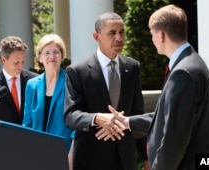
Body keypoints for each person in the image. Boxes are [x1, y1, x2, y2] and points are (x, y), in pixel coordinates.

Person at [108, 4, 209, 170]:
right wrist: (127, 122)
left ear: (161, 35)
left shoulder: (183, 72)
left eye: (152, 34)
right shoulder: (193, 62)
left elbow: (173, 138)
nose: (152, 40)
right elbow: (168, 116)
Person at [64, 12, 149, 170]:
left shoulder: (133, 67)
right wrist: (97, 118)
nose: (119, 38)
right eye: (112, 33)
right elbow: (71, 116)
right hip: (91, 158)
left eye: (122, 32)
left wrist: (145, 156)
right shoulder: (77, 71)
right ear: (96, 37)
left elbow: (138, 112)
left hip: (125, 157)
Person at [22, 34, 74, 169]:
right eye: (47, 53)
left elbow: (76, 124)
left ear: (62, 56)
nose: (52, 56)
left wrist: (72, 155)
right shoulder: (31, 85)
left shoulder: (72, 82)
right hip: (37, 153)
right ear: (39, 57)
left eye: (56, 52)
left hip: (64, 151)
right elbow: (27, 123)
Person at [0, 36, 38, 124]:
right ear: (3, 59)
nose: (20, 66)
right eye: (16, 62)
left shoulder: (34, 81)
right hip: (2, 137)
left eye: (23, 61)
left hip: (32, 136)